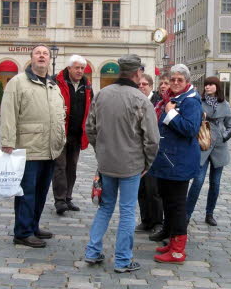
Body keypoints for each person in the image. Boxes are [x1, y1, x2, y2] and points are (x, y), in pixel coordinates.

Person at [84, 54, 159, 273]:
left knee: (105, 207)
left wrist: (101, 151)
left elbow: (90, 128)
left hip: (107, 162)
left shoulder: (102, 95)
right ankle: (123, 260)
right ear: (137, 73)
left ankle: (92, 250)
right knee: (127, 211)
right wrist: (148, 163)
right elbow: (152, 139)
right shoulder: (141, 99)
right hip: (131, 164)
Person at [1, 44, 66, 248]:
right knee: (26, 192)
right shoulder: (18, 82)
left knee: (40, 192)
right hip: (27, 147)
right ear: (31, 58)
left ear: (49, 60)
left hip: (49, 148)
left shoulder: (52, 85)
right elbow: (9, 113)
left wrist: (60, 139)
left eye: (45, 54)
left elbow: (59, 114)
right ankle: (22, 232)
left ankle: (33, 226)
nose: (42, 56)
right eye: (38, 53)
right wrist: (8, 142)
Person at [150, 64, 202, 264]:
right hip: (167, 160)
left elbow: (190, 129)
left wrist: (171, 114)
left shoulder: (191, 102)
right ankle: (172, 241)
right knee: (169, 204)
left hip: (179, 161)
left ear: (187, 82)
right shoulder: (169, 99)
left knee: (178, 206)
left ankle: (178, 250)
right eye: (173, 79)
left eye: (180, 80)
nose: (176, 83)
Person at [186, 77, 231, 226]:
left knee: (215, 182)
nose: (207, 87)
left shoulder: (224, 104)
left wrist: (223, 136)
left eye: (211, 84)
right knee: (198, 181)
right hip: (203, 144)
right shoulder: (198, 102)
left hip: (219, 147)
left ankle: (210, 213)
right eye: (206, 85)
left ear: (217, 87)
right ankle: (187, 214)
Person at [52, 55, 93, 215]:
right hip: (61, 132)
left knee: (72, 167)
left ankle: (68, 197)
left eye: (82, 68)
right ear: (69, 68)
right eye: (77, 68)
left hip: (77, 134)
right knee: (60, 167)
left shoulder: (87, 86)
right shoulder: (57, 82)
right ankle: (60, 200)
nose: (80, 71)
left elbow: (91, 107)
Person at [135, 73, 164, 235]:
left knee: (153, 190)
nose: (141, 87)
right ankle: (145, 220)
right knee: (140, 189)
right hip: (137, 151)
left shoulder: (157, 102)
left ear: (151, 86)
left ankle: (157, 222)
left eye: (144, 84)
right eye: (139, 84)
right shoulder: (136, 100)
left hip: (153, 151)